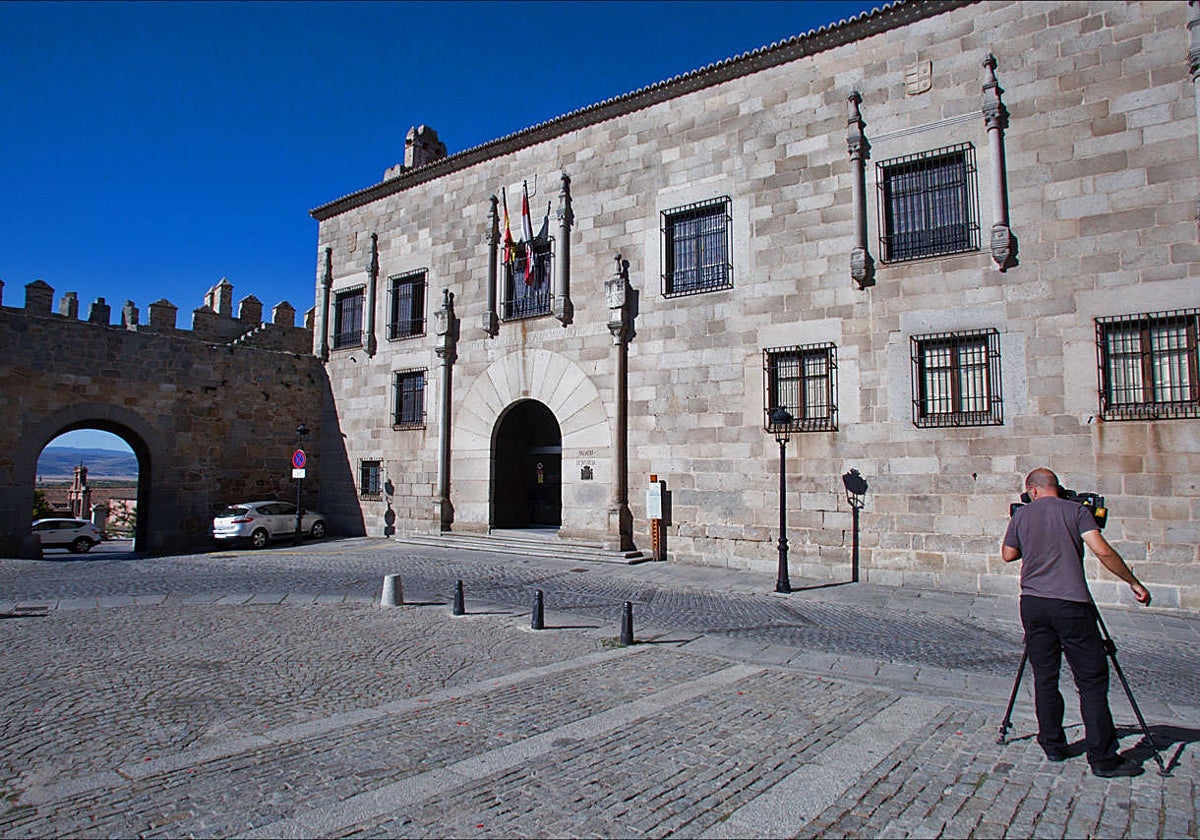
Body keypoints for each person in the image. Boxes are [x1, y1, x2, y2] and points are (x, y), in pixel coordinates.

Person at [1001, 467, 1151, 778]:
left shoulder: (1021, 516)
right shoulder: (1076, 512)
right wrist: (1133, 582)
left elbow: (1008, 554)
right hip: (1071, 604)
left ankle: (1053, 744)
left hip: (1033, 604)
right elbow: (1102, 551)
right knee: (1092, 682)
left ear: (1032, 490)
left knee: (1045, 676)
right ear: (1056, 488)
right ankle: (1103, 757)